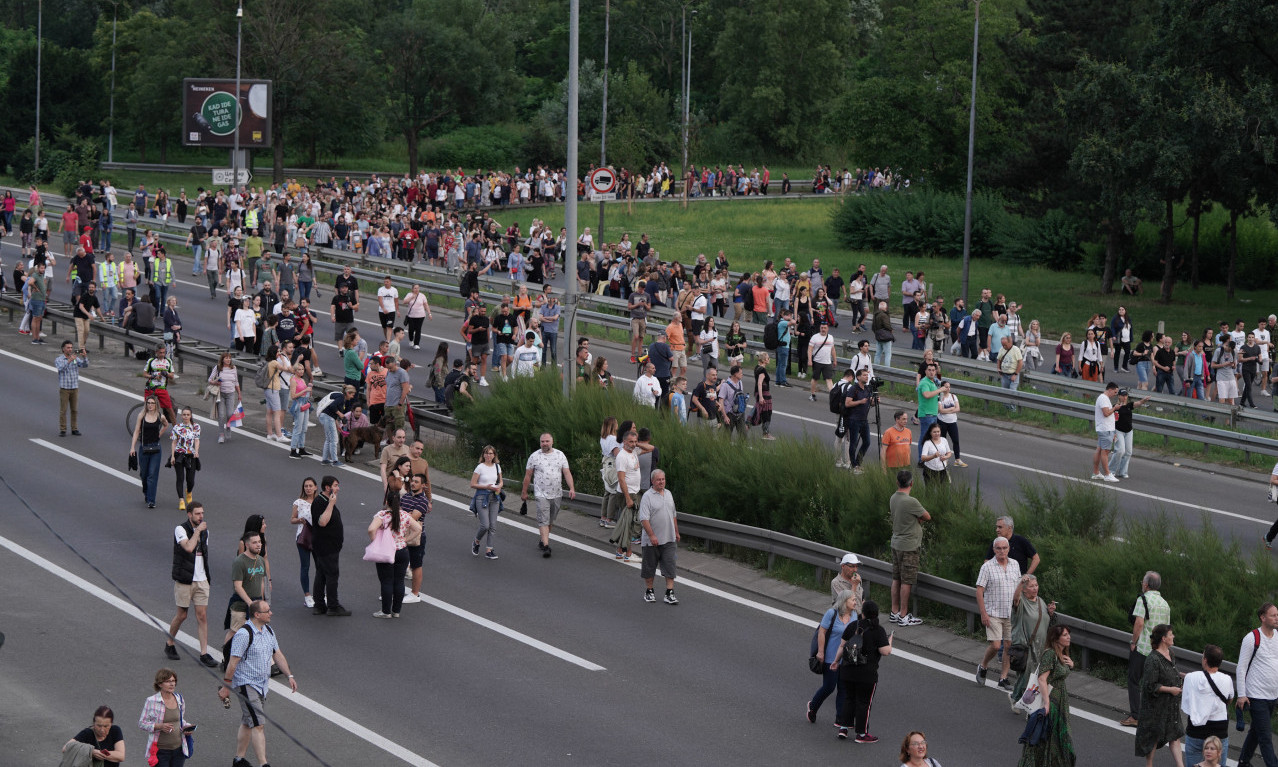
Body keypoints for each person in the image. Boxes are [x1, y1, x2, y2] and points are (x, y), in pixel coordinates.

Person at [217, 600, 297, 767]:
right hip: (246, 684)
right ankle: (263, 764)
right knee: (258, 724)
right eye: (267, 611)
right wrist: (226, 687)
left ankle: (238, 760)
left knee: (248, 721)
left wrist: (289, 674)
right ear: (257, 614)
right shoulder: (244, 634)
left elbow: (278, 654)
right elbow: (232, 662)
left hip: (261, 685)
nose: (271, 613)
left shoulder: (268, 630)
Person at [163, 501, 218, 668]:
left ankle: (204, 653)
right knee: (182, 615)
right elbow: (188, 547)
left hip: (201, 579)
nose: (201, 517)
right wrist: (197, 532)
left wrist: (206, 577)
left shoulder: (205, 532)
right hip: (185, 579)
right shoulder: (181, 529)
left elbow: (203, 554)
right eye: (197, 514)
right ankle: (169, 643)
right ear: (189, 515)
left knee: (202, 616)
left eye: (202, 513)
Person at [831, 600, 893, 742]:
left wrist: (835, 662)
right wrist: (890, 641)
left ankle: (844, 728)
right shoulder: (878, 630)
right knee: (864, 703)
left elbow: (842, 646)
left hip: (847, 670)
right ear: (876, 614)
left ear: (863, 613)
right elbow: (885, 651)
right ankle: (862, 734)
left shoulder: (853, 625)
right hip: (867, 674)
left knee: (849, 699)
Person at [1017, 626, 1077, 767]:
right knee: (1045, 735)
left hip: (1060, 700)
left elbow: (1060, 674)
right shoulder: (1050, 654)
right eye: (1065, 635)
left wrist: (1071, 665)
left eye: (1069, 634)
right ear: (1056, 639)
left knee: (1056, 737)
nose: (1069, 637)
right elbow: (1042, 679)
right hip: (1051, 702)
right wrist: (1046, 704)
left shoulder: (1061, 655)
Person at [1123, 571, 1172, 727]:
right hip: (1158, 651)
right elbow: (1167, 630)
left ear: (1145, 585)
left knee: (1134, 680)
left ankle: (1136, 715)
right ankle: (1153, 715)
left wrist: (1133, 641)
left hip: (1143, 648)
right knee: (1152, 684)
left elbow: (1139, 623)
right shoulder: (1165, 604)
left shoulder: (1142, 599)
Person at [1135, 624, 1186, 766]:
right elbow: (1150, 685)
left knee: (1174, 736)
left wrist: (1183, 676)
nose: (1173, 636)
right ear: (1164, 638)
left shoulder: (1171, 653)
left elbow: (1172, 671)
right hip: (1156, 707)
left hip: (1171, 705)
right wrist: (1171, 689)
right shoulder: (1153, 659)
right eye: (1171, 634)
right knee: (1154, 737)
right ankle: (1149, 764)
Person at [975, 536, 1022, 690]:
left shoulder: (1015, 564)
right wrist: (983, 613)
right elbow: (979, 590)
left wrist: (1019, 604)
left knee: (1008, 646)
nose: (1002, 551)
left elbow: (1019, 586)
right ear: (994, 550)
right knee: (996, 646)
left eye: (1004, 548)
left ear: (1008, 549)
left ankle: (1003, 678)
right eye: (998, 548)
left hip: (1010, 613)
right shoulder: (987, 567)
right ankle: (983, 666)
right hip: (993, 612)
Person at [369, 486, 421, 618]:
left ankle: (385, 611)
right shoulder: (404, 515)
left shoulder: (382, 515)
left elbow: (371, 529)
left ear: (387, 502)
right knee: (399, 581)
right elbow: (417, 529)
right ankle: (396, 611)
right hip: (402, 551)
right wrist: (405, 539)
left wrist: (375, 541)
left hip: (386, 552)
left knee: (386, 581)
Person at [1236, 602, 1278, 767]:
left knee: (1256, 731)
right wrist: (1241, 694)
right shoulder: (1252, 637)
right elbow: (1241, 668)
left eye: (1277, 615)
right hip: (1256, 695)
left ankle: (1243, 761)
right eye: (1273, 615)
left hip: (1272, 695)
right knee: (1265, 737)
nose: (1276, 618)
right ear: (1263, 617)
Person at [521, 432, 576, 558]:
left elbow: (566, 473)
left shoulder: (560, 455)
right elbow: (528, 475)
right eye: (542, 442)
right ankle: (546, 546)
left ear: (552, 442)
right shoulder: (534, 456)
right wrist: (524, 492)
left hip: (557, 493)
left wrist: (572, 488)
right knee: (543, 519)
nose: (544, 444)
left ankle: (542, 540)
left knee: (550, 520)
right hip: (541, 494)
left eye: (547, 441)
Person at [809, 589, 857, 726]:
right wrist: (821, 652)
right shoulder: (832, 613)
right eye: (852, 600)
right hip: (830, 657)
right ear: (844, 601)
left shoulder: (854, 616)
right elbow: (822, 633)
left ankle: (840, 718)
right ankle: (813, 707)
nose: (855, 602)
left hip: (845, 659)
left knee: (843, 688)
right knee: (829, 687)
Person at [1181, 645, 1232, 767]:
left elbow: (1186, 705)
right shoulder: (1227, 679)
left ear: (1205, 660)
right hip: (1219, 731)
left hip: (1196, 730)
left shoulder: (1190, 677)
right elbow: (1229, 700)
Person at [889, 471, 929, 627]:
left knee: (896, 578)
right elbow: (927, 516)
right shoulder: (911, 501)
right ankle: (904, 615)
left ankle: (894, 612)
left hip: (896, 543)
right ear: (911, 483)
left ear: (897, 483)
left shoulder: (893, 498)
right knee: (907, 580)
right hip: (909, 546)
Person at [1009, 574, 1056, 703]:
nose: (1035, 588)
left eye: (1036, 585)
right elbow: (1016, 598)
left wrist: (1050, 612)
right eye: (1031, 586)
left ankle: (1025, 701)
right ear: (1024, 589)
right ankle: (1018, 698)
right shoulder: (1021, 602)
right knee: (1025, 676)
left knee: (1037, 676)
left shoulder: (1040, 601)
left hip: (1041, 646)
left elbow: (1045, 621)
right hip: (1026, 646)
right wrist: (1020, 584)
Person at [310, 475, 350, 616]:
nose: (338, 488)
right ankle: (333, 606)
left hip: (327, 546)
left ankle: (319, 605)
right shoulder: (321, 502)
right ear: (328, 488)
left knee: (321, 574)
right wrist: (331, 504)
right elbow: (322, 522)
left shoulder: (325, 500)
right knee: (332, 575)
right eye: (335, 485)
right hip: (326, 546)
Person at [137, 668, 194, 767]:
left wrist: (187, 727)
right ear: (160, 684)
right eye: (168, 681)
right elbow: (142, 723)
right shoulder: (152, 701)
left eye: (173, 681)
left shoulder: (179, 698)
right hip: (160, 751)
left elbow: (180, 720)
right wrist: (159, 726)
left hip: (179, 750)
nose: (172, 684)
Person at [639, 469, 680, 604]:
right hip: (652, 540)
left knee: (670, 565)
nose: (661, 482)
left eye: (663, 479)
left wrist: (676, 532)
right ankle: (649, 591)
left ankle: (669, 592)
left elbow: (673, 514)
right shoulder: (647, 496)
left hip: (669, 538)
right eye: (658, 480)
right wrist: (651, 535)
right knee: (649, 566)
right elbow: (644, 519)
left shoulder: (668, 494)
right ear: (653, 481)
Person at [130, 394, 169, 508]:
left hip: (156, 448)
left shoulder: (160, 416)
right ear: (146, 404)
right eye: (149, 403)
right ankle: (147, 493)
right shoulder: (141, 416)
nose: (150, 405)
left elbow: (166, 425)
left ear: (156, 404)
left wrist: (159, 434)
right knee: (144, 474)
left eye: (152, 403)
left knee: (152, 474)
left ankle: (151, 500)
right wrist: (132, 447)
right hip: (144, 447)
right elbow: (137, 431)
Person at [400, 470, 432, 603]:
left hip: (416, 537)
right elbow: (398, 512)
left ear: (423, 485)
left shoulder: (424, 501)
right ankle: (398, 592)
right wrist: (405, 513)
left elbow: (412, 518)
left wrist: (404, 514)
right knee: (399, 564)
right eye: (412, 481)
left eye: (416, 482)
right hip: (401, 534)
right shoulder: (406, 496)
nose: (413, 483)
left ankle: (414, 594)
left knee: (416, 565)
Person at [470, 445, 503, 560]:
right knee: (485, 525)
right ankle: (476, 541)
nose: (488, 456)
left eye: (491, 453)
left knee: (493, 526)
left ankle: (489, 550)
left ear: (494, 455)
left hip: (494, 497)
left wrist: (498, 487)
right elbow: (472, 484)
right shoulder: (480, 467)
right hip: (481, 497)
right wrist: (486, 487)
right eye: (486, 453)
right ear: (483, 455)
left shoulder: (497, 467)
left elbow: (501, 481)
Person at [1110, 388, 1151, 479]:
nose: (1125, 397)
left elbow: (1138, 403)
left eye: (1126, 395)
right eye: (1123, 395)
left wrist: (1143, 400)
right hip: (1118, 431)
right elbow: (1113, 420)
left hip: (1129, 431)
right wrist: (1113, 433)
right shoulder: (1116, 407)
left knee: (1128, 452)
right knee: (1120, 450)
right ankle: (1111, 470)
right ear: (1119, 396)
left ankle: (1122, 472)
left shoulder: (1129, 405)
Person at [289, 477, 317, 608]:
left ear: (316, 487)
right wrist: (299, 520)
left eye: (311, 486)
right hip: (303, 537)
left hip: (318, 537)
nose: (308, 488)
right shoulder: (299, 502)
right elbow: (292, 519)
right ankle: (307, 595)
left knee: (321, 567)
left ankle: (320, 593)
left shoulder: (320, 501)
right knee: (305, 566)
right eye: (306, 486)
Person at [55, 340, 89, 437]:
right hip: (64, 388)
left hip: (74, 387)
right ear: (63, 349)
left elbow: (84, 365)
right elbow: (60, 368)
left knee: (74, 410)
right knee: (63, 410)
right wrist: (69, 360)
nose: (70, 349)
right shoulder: (59, 359)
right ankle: (63, 429)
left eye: (71, 347)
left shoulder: (75, 358)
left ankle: (74, 428)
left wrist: (84, 356)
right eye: (68, 348)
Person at [844, 367, 873, 473]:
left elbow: (870, 403)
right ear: (858, 377)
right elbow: (847, 403)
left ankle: (858, 462)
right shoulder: (854, 388)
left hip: (864, 420)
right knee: (853, 443)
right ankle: (853, 465)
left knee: (867, 442)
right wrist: (860, 402)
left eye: (867, 375)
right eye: (864, 375)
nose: (866, 377)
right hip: (854, 420)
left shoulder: (867, 389)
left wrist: (875, 401)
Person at [1092, 382, 1121, 482]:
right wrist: (1115, 408)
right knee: (1105, 452)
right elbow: (1106, 413)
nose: (1115, 394)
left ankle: (1096, 472)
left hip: (1105, 429)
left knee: (1100, 450)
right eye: (1115, 392)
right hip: (1105, 429)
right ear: (1110, 389)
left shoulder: (1103, 398)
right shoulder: (1104, 399)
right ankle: (1108, 474)